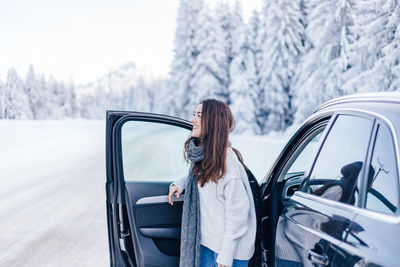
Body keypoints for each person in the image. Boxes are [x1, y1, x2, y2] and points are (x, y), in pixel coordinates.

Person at [168, 99, 257, 267]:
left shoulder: (227, 163)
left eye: (199, 116)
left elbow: (238, 214)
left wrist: (225, 256)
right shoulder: (206, 158)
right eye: (194, 114)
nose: (192, 120)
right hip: (208, 242)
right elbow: (200, 181)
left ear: (212, 122)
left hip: (228, 250)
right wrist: (180, 184)